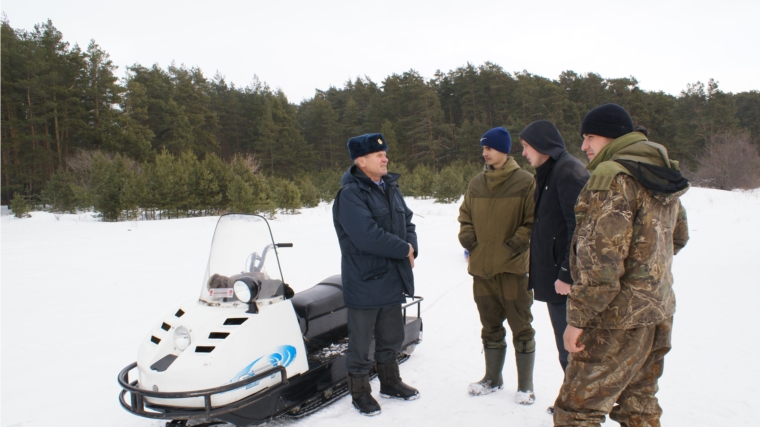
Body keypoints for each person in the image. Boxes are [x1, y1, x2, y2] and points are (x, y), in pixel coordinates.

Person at [553, 104, 690, 426]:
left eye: (590, 137)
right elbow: (678, 237)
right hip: (657, 313)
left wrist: (578, 319)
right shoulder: (661, 173)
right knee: (638, 407)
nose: (584, 146)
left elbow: (601, 263)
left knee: (577, 411)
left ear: (612, 138)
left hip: (614, 319)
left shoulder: (611, 178)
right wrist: (646, 273)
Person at [332, 133, 419, 416]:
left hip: (392, 277)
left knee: (390, 336)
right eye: (379, 155)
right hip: (366, 280)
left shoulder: (390, 187)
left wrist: (412, 248)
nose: (386, 158)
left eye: (385, 154)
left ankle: (390, 382)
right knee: (360, 345)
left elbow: (406, 220)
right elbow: (367, 236)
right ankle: (360, 393)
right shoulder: (350, 195)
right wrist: (403, 248)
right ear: (361, 161)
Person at [458, 126, 537, 405]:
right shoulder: (476, 183)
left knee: (522, 328)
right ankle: (492, 378)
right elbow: (465, 217)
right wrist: (470, 240)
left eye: (489, 148)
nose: (485, 153)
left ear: (504, 149)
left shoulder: (526, 181)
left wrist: (514, 246)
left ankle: (525, 387)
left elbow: (532, 222)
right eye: (483, 148)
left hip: (513, 271)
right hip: (481, 270)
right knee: (490, 327)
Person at [518, 120, 589, 414]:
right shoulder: (548, 172)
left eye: (525, 147)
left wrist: (566, 273)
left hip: (565, 281)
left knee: (571, 348)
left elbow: (579, 227)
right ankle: (573, 399)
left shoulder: (567, 172)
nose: (522, 153)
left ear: (542, 145)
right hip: (554, 276)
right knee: (565, 347)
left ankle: (578, 406)